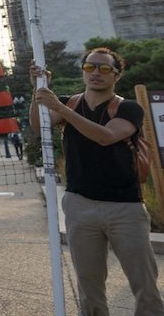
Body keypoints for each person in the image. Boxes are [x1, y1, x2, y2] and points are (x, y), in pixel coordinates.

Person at [31, 48, 164, 316]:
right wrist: (38, 90)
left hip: (125, 208)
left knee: (145, 284)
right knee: (89, 287)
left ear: (117, 75)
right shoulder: (69, 103)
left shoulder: (128, 108)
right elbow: (38, 127)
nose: (95, 73)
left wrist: (58, 107)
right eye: (90, 67)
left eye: (104, 69)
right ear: (83, 70)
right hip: (80, 205)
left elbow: (105, 136)